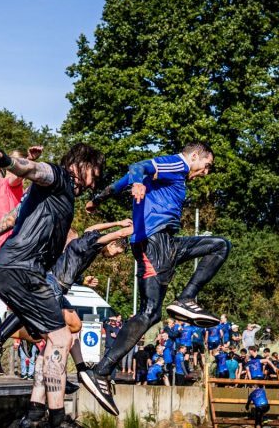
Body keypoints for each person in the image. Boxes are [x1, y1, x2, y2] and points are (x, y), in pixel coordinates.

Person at [82, 142, 229, 415]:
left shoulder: (172, 176)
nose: (205, 172)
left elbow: (122, 182)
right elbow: (137, 167)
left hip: (164, 243)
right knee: (219, 247)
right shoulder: (178, 164)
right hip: (154, 241)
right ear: (194, 156)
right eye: (206, 166)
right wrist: (138, 183)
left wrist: (98, 199)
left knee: (151, 313)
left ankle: (101, 371)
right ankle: (185, 298)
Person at [0, 142, 104, 427]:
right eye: (93, 175)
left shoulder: (51, 195)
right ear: (80, 164)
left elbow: (13, 217)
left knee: (59, 338)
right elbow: (34, 169)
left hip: (12, 269)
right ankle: (57, 418)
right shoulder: (59, 177)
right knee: (61, 338)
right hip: (22, 270)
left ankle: (41, 412)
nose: (93, 183)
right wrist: (6, 160)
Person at [0, 146, 43, 269]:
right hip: (0, 241)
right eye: (12, 160)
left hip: (2, 241)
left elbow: (13, 176)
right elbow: (2, 177)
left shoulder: (9, 183)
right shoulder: (5, 182)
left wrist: (29, 160)